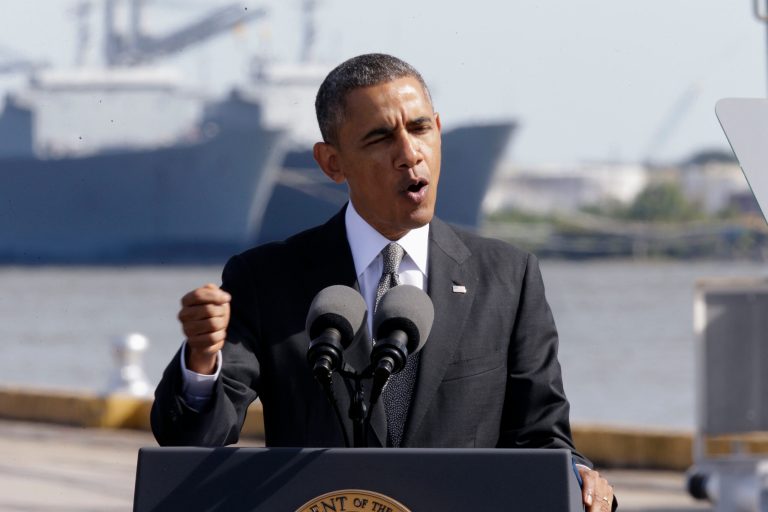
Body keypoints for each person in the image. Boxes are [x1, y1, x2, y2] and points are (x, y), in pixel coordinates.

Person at [151, 53, 615, 511]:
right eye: (379, 137)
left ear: (438, 129)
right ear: (332, 162)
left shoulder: (508, 278)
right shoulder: (266, 279)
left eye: (419, 129)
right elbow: (192, 442)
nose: (409, 154)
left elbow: (542, 437)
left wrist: (580, 478)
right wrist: (201, 360)